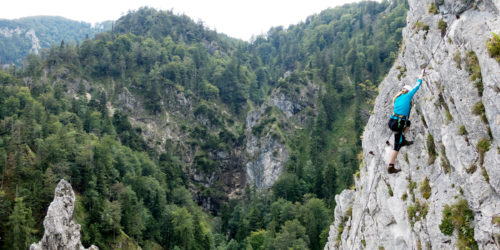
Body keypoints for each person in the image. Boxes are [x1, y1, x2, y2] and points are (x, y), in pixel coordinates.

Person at [387, 69, 425, 174]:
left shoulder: (397, 97)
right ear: (408, 91)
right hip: (398, 124)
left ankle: (402, 139)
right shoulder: (408, 95)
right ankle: (391, 167)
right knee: (396, 146)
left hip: (393, 121)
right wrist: (421, 75)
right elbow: (417, 85)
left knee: (408, 123)